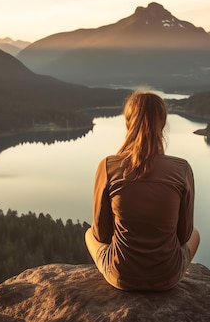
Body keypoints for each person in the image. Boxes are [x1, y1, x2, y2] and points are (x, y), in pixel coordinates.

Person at [85, 91, 200, 291]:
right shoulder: (182, 168)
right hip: (167, 277)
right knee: (196, 234)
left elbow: (101, 235)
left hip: (121, 276)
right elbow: (185, 235)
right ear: (162, 123)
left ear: (129, 122)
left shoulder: (108, 166)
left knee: (88, 234)